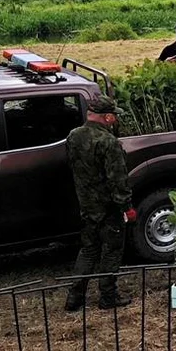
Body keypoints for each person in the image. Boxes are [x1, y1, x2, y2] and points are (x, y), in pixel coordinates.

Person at [64, 96, 134, 311]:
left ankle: (75, 297)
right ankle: (108, 296)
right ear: (108, 117)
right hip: (109, 207)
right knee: (112, 250)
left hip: (86, 205)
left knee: (88, 250)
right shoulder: (108, 142)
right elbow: (118, 179)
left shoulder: (74, 136)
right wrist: (127, 207)